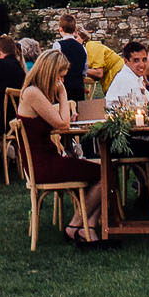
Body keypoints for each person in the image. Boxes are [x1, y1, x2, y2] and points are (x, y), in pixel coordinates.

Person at [16, 49, 104, 244]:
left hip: (47, 158)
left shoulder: (34, 92)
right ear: (50, 73)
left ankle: (87, 226)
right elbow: (63, 125)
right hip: (43, 164)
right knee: (105, 173)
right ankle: (76, 225)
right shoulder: (32, 93)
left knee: (104, 169)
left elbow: (56, 120)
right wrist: (63, 94)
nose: (61, 82)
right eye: (60, 77)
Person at [105, 38, 149, 109]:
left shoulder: (135, 76)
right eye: (136, 60)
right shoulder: (126, 79)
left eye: (144, 60)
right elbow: (141, 106)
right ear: (126, 61)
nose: (142, 64)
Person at [53, 14, 88, 103]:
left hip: (63, 88)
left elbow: (54, 67)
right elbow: (85, 69)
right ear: (75, 29)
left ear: (60, 28)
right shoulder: (82, 48)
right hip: (78, 87)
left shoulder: (58, 45)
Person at [82, 28, 124, 94]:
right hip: (109, 78)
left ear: (83, 37)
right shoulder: (83, 52)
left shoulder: (91, 46)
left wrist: (80, 70)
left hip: (118, 74)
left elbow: (98, 73)